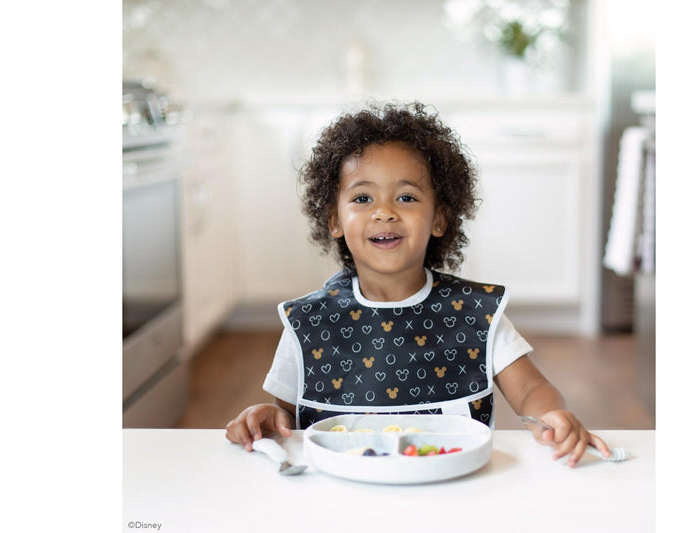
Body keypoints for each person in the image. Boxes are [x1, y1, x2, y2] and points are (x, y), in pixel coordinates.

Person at [225, 101, 610, 467]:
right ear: (334, 220)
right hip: (339, 499)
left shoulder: (475, 312)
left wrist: (553, 416)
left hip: (453, 491)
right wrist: (265, 416)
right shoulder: (308, 321)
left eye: (406, 197)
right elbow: (286, 414)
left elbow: (530, 390)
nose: (384, 212)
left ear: (439, 219)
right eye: (362, 197)